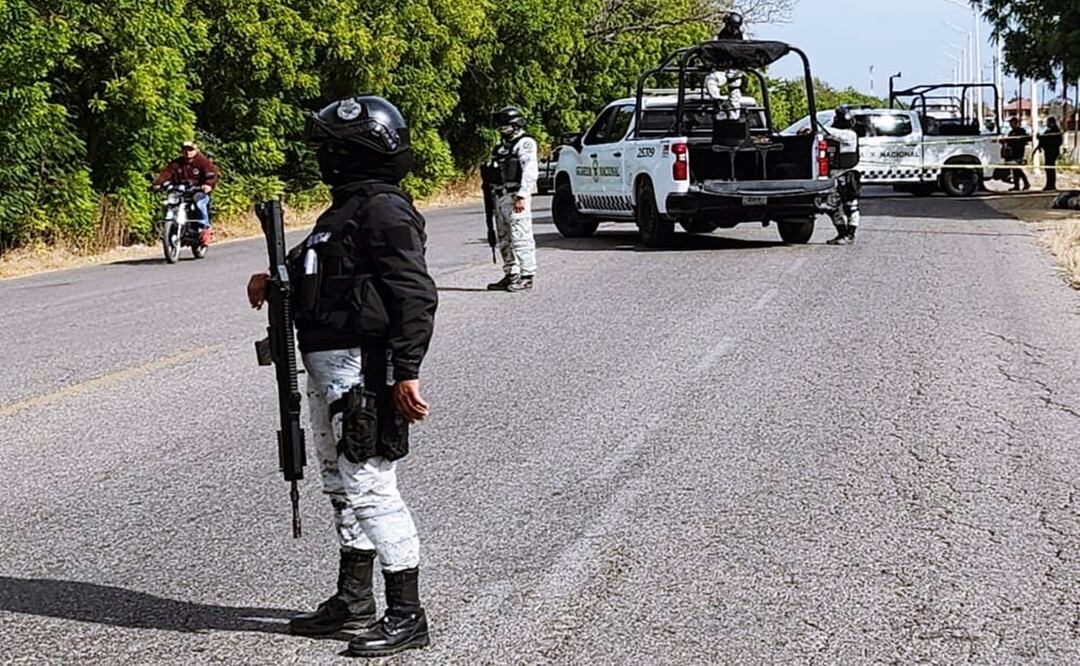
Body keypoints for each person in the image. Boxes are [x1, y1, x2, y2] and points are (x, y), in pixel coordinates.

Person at [247, 95, 437, 658]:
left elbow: (415, 294)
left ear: (357, 153)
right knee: (340, 484)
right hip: (328, 369)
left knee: (372, 487)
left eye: (333, 149)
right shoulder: (346, 210)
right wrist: (271, 279)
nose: (324, 158)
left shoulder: (385, 210)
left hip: (363, 369)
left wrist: (407, 371)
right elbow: (322, 268)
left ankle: (407, 614)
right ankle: (354, 599)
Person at [485, 106, 539, 292]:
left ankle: (527, 275)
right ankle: (511, 273)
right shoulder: (501, 148)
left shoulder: (525, 143)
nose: (502, 129)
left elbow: (530, 170)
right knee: (504, 237)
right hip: (499, 196)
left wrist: (522, 195)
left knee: (521, 236)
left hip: (515, 195)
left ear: (515, 125)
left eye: (505, 125)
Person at [152, 141, 219, 245]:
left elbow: (212, 174)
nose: (188, 152)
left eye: (190, 150)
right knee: (168, 204)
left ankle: (204, 229)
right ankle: (171, 228)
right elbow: (166, 173)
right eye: (185, 150)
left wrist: (208, 184)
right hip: (181, 191)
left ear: (196, 150)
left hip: (198, 191)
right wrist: (158, 184)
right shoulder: (176, 163)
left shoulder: (203, 162)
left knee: (199, 204)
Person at [825, 105, 861, 245]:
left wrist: (817, 127)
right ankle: (842, 233)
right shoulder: (836, 134)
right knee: (831, 206)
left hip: (847, 174)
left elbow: (832, 132)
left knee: (850, 206)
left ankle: (850, 235)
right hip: (834, 175)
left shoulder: (849, 135)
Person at [1001, 117, 1031, 191]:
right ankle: (1017, 185)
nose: (1010, 125)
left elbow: (1025, 139)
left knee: (1016, 168)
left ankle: (1025, 183)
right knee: (1015, 169)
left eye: (1011, 123)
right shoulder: (1011, 132)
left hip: (1018, 152)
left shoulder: (1021, 131)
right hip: (1012, 152)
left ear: (1015, 123)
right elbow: (1009, 141)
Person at [1035, 116, 1064, 191]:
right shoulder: (1050, 130)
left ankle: (1051, 185)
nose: (1047, 124)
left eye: (1048, 122)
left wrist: (1040, 138)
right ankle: (1049, 184)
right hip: (1048, 152)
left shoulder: (1055, 131)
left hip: (1052, 152)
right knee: (1048, 168)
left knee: (1050, 169)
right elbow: (1044, 138)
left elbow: (1050, 140)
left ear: (1052, 123)